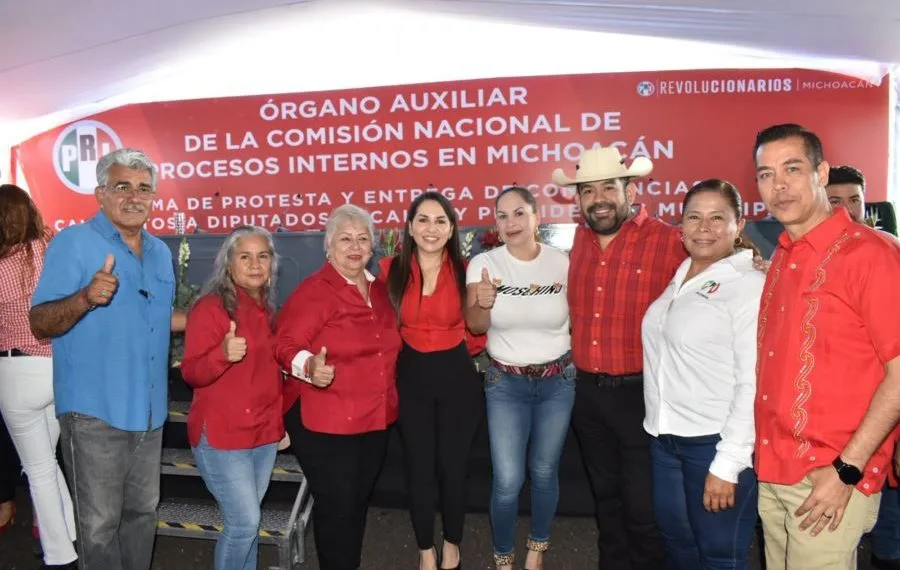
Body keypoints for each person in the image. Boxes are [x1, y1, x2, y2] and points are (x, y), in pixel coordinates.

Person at [29, 148, 186, 570]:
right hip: (94, 414)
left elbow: (153, 318)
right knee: (99, 526)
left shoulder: (157, 252)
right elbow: (40, 322)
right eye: (122, 187)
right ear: (100, 194)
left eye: (144, 188)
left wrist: (206, 319)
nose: (134, 197)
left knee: (142, 516)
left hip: (150, 413)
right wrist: (85, 297)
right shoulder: (73, 244)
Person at [753, 123, 900, 570]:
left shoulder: (870, 254)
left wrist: (847, 471)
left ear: (821, 173)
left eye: (791, 169)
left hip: (831, 477)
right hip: (774, 470)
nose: (778, 185)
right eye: (765, 174)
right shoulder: (782, 253)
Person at [551, 146, 684, 570]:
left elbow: (718, 276)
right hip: (588, 395)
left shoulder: (668, 239)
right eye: (588, 191)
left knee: (643, 510)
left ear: (629, 188)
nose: (599, 198)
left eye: (609, 186)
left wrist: (752, 261)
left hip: (641, 395)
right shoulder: (580, 242)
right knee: (605, 503)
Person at [641, 180, 765, 570]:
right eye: (694, 217)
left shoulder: (750, 285)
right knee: (679, 547)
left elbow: (753, 381)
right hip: (664, 442)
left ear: (739, 225)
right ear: (681, 225)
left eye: (717, 218)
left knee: (718, 556)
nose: (704, 227)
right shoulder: (681, 276)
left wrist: (727, 464)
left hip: (714, 446)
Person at [274, 204, 402, 570]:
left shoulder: (380, 291)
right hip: (326, 421)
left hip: (374, 418)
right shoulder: (315, 290)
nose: (355, 246)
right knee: (337, 508)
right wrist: (310, 365)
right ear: (328, 247)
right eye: (345, 238)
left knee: (356, 504)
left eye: (363, 238)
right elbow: (282, 345)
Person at [465, 187, 572, 570]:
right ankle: (503, 556)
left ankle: (537, 548)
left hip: (557, 383)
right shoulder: (483, 264)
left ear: (536, 217)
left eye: (519, 213)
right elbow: (475, 326)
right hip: (505, 384)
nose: (511, 223)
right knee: (508, 480)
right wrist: (483, 301)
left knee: (544, 471)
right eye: (502, 215)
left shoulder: (562, 263)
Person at [378, 192, 484, 570]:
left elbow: (478, 328)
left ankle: (452, 541)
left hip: (457, 376)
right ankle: (425, 547)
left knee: (453, 466)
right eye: (422, 220)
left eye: (440, 221)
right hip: (411, 378)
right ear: (409, 227)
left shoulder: (468, 269)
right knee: (419, 467)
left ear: (452, 228)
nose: (431, 228)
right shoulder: (390, 269)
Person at [181, 226, 284, 570]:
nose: (255, 265)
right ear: (228, 264)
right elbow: (191, 373)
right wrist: (222, 354)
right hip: (223, 438)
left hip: (263, 436)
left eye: (263, 256)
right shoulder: (210, 309)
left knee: (248, 527)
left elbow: (271, 375)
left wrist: (280, 424)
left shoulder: (268, 310)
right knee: (243, 524)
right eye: (245, 257)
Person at [0, 184, 78, 568]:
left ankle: (61, 555)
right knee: (46, 460)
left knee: (39, 470)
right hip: (59, 367)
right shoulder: (50, 249)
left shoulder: (0, 266)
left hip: (18, 372)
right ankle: (73, 535)